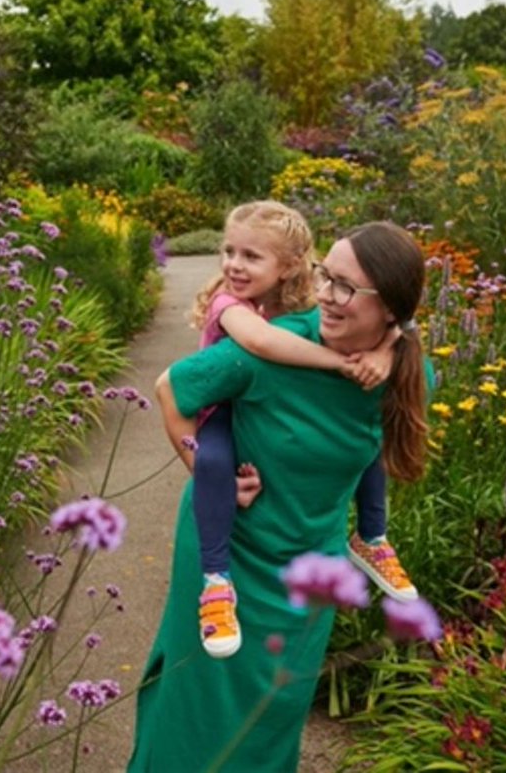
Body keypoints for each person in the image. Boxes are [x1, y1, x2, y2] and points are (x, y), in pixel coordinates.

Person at [130, 220, 430, 772]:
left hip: (310, 571)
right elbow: (173, 388)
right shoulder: (265, 352)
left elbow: (381, 438)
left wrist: (390, 351)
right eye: (325, 278)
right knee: (196, 706)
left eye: (344, 287)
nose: (325, 296)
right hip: (228, 557)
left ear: (390, 309)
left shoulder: (404, 373)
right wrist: (204, 471)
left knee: (274, 712)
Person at [185, 201, 414, 660]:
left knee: (369, 435)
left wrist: (387, 350)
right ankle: (215, 581)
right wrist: (339, 363)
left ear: (290, 266)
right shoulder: (227, 302)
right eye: (228, 251)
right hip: (219, 411)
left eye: (251, 256)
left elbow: (401, 316)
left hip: (258, 411)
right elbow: (260, 342)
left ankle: (371, 537)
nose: (233, 264)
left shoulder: (308, 301)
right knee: (209, 463)